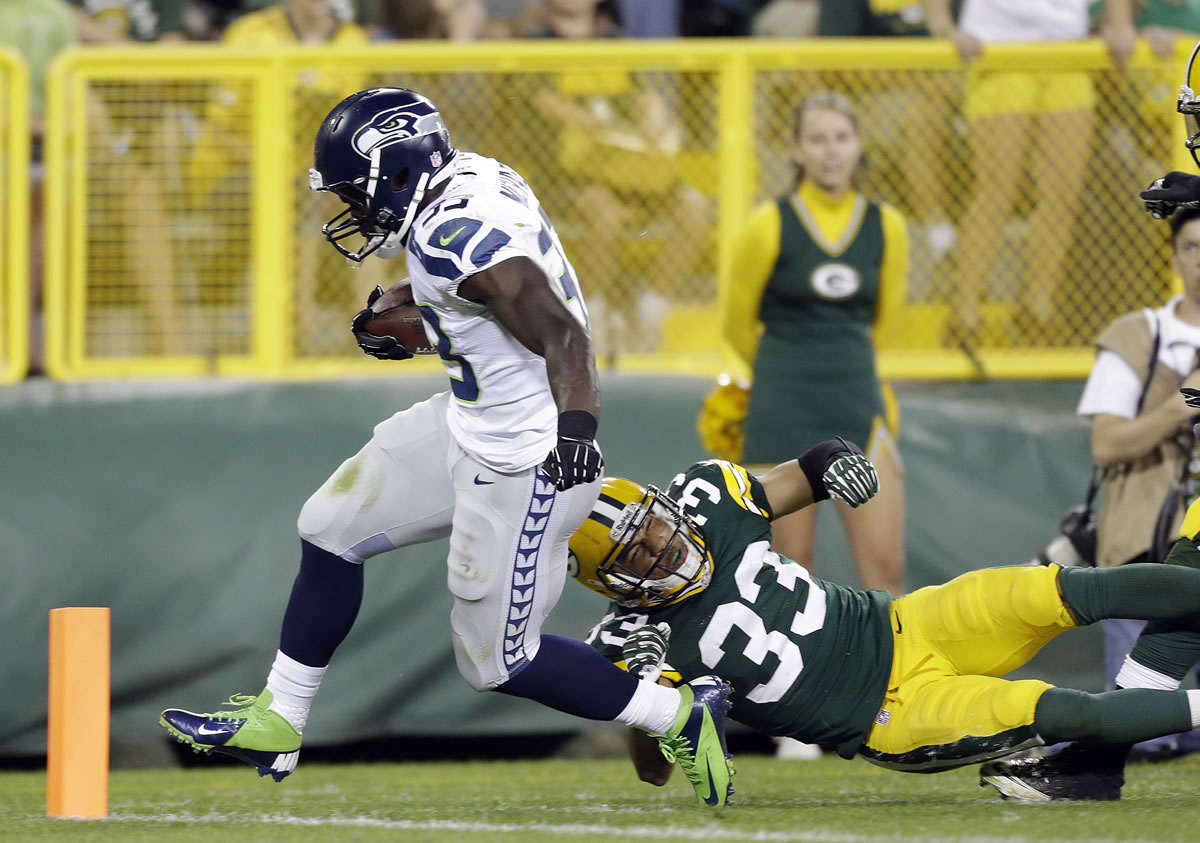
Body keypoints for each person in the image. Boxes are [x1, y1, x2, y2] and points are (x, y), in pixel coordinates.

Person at [158, 87, 735, 809]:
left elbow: (562, 333)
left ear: (397, 173)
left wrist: (578, 431)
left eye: (355, 193)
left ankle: (677, 711)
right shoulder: (468, 181)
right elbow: (484, 296)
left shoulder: (454, 233)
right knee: (329, 526)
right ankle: (281, 715)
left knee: (497, 661)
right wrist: (423, 314)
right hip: (470, 420)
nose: (353, 212)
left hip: (525, 459)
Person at [567, 448, 1200, 792]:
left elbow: (809, 470)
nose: (660, 544)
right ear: (614, 582)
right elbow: (653, 772)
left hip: (905, 623)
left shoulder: (706, 497)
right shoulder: (632, 640)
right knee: (1068, 712)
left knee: (1068, 591)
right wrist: (645, 694)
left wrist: (838, 461)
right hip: (891, 713)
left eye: (651, 521)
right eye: (637, 552)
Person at [699, 91, 907, 599]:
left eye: (841, 137)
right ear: (794, 149)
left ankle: (897, 679)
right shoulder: (767, 223)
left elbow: (885, 321)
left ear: (859, 145)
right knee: (792, 575)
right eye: (816, 139)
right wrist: (781, 377)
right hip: (781, 407)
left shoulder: (888, 226)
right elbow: (735, 324)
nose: (830, 151)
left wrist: (844, 369)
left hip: (857, 400)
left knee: (887, 570)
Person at [922, 0, 1130, 349]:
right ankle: (965, 315)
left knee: (1064, 194)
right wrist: (943, 28)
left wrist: (1120, 22)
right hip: (996, 46)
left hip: (1068, 50)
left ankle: (1038, 314)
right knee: (997, 189)